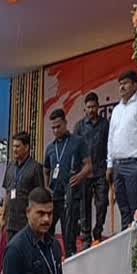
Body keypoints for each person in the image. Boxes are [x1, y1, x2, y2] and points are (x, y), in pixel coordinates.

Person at [43, 109, 91, 258]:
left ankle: (70, 259)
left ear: (65, 123)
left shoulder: (77, 141)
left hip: (71, 194)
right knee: (47, 229)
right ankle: (49, 257)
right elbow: (46, 169)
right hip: (54, 196)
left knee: (68, 231)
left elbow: (89, 165)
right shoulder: (50, 148)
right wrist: (46, 186)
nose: (56, 130)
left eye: (58, 126)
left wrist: (80, 176)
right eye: (53, 128)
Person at [73, 92, 110, 248]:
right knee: (84, 206)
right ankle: (86, 237)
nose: (91, 109)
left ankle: (98, 231)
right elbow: (74, 149)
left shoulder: (105, 124)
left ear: (98, 106)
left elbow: (111, 145)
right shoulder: (79, 126)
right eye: (88, 107)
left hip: (101, 171)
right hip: (84, 173)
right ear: (84, 109)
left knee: (102, 204)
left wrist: (110, 166)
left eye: (94, 106)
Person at [107, 70, 137, 231]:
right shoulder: (116, 110)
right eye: (120, 84)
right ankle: (124, 241)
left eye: (126, 83)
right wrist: (109, 164)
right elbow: (111, 138)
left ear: (135, 85)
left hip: (133, 164)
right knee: (123, 208)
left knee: (135, 208)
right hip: (117, 166)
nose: (122, 87)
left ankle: (136, 246)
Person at [1, 132, 45, 242]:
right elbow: (7, 193)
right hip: (11, 222)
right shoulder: (10, 166)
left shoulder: (35, 168)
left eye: (17, 146)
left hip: (27, 223)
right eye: (13, 146)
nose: (14, 149)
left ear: (26, 147)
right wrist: (3, 217)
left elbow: (40, 197)